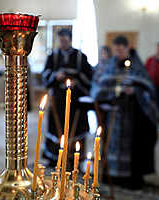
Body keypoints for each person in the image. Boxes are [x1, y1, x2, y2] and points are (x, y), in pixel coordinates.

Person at [92, 36, 158, 190]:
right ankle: (113, 176)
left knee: (132, 148)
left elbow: (148, 89)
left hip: (133, 116)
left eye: (121, 49)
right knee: (112, 146)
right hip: (114, 114)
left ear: (128, 48)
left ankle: (132, 178)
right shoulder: (111, 65)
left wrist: (135, 91)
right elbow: (100, 88)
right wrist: (115, 93)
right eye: (116, 50)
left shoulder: (138, 67)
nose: (119, 53)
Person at [42, 29, 92, 167]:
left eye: (65, 40)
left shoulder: (80, 56)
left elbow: (88, 77)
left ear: (70, 39)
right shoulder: (53, 56)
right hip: (57, 100)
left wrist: (77, 81)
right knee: (56, 127)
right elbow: (45, 74)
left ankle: (74, 158)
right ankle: (54, 157)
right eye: (60, 40)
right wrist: (55, 76)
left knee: (75, 127)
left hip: (75, 100)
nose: (62, 43)